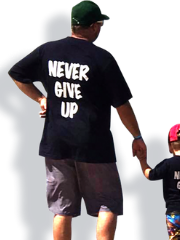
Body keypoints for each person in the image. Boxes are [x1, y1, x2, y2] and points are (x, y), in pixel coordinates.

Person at [8, 1, 146, 240]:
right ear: (92, 26)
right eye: (100, 25)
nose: (100, 29)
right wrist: (137, 136)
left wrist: (41, 98)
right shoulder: (102, 59)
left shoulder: (47, 51)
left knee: (62, 209)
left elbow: (17, 73)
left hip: (56, 143)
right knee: (107, 205)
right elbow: (122, 105)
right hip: (94, 145)